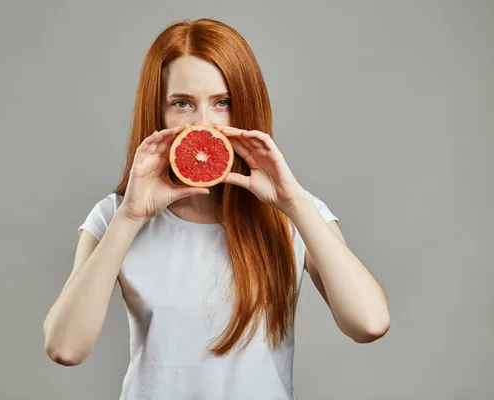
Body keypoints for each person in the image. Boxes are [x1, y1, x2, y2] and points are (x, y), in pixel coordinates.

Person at [43, 18, 390, 400]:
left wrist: (293, 203)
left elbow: (369, 323)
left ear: (245, 107)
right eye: (182, 104)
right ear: (156, 113)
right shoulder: (116, 216)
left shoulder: (292, 214)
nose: (204, 124)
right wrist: (130, 218)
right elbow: (65, 348)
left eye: (222, 103)